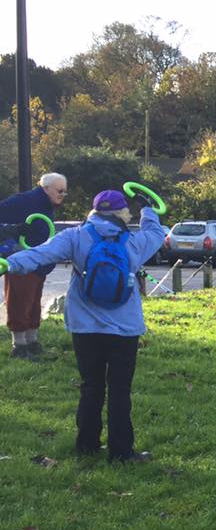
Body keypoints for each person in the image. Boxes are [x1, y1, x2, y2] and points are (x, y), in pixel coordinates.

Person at [2, 190, 165, 462]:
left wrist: (9, 263)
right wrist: (148, 209)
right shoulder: (135, 241)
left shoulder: (75, 237)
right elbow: (157, 234)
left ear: (94, 210)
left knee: (91, 385)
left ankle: (87, 446)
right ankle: (122, 452)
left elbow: (40, 255)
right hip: (125, 328)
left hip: (84, 327)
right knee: (120, 389)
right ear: (123, 213)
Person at [0, 172, 68, 358]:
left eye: (65, 192)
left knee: (33, 301)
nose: (62, 194)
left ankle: (32, 341)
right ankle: (19, 346)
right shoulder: (24, 200)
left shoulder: (46, 204)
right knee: (19, 300)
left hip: (38, 263)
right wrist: (11, 232)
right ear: (45, 188)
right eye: (59, 190)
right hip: (21, 260)